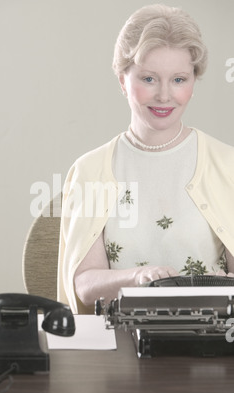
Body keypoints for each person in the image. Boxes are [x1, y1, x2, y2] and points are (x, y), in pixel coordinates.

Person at [57, 4, 234, 314]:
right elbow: (84, 284)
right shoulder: (90, 171)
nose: (164, 96)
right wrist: (139, 278)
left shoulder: (227, 165)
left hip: (213, 343)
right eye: (149, 79)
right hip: (121, 346)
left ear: (194, 82)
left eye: (179, 79)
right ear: (123, 81)